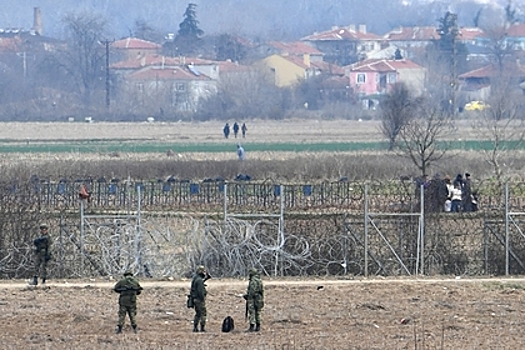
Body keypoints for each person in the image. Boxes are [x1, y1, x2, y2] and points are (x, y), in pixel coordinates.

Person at [114, 269, 143, 334]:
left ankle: (119, 329)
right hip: (132, 300)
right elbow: (139, 291)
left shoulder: (122, 281)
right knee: (132, 314)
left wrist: (122, 291)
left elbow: (116, 289)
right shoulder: (135, 281)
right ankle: (135, 328)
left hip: (123, 300)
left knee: (122, 314)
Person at [190, 265, 210, 332]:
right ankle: (202, 328)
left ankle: (195, 327)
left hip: (195, 299)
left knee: (198, 314)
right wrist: (203, 298)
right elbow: (200, 291)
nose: (204, 272)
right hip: (199, 300)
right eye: (204, 271)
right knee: (203, 313)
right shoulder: (199, 281)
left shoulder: (196, 278)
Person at [244, 267, 264, 332]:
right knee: (258, 312)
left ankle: (252, 327)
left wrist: (247, 296)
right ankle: (258, 326)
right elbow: (262, 290)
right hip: (259, 298)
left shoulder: (253, 281)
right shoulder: (259, 280)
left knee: (252, 312)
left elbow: (252, 291)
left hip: (253, 299)